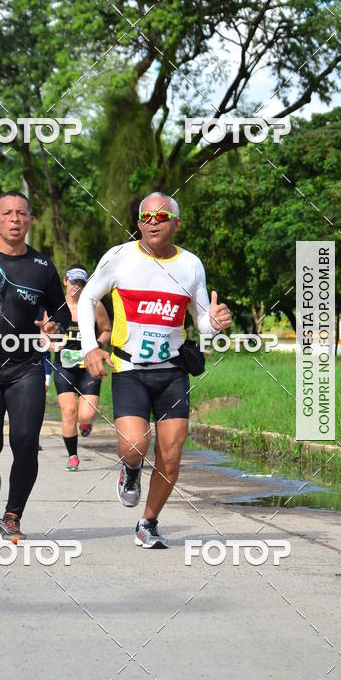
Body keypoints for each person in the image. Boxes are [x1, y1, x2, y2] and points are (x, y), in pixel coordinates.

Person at [79, 192, 232, 549]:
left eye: (161, 216)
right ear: (138, 224)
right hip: (130, 368)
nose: (152, 221)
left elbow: (202, 322)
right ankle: (131, 471)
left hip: (172, 371)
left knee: (172, 454)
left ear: (176, 224)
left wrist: (215, 322)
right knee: (134, 446)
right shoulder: (119, 257)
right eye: (146, 216)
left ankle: (148, 522)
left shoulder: (191, 265)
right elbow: (87, 298)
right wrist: (90, 347)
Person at [0, 190, 70, 541]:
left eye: (22, 213)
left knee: (26, 442)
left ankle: (12, 515)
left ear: (29, 220)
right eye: (8, 213)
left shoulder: (42, 267)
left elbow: (62, 311)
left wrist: (55, 325)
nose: (15, 219)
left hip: (25, 366)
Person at [52, 265, 111, 471]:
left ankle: (86, 423)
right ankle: (73, 456)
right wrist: (51, 343)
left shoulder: (94, 305)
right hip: (64, 366)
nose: (76, 286)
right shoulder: (56, 307)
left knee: (85, 414)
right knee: (69, 411)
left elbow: (106, 330)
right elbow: (43, 334)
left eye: (81, 282)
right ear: (65, 281)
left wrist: (96, 346)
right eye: (73, 281)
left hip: (89, 365)